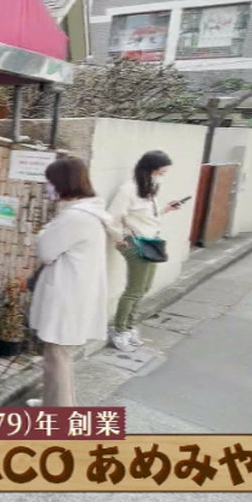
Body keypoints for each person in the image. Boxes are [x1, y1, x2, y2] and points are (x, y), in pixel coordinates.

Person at [27, 157, 115, 407]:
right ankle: (51, 403)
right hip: (74, 290)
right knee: (55, 355)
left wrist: (43, 232)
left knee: (56, 356)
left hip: (66, 294)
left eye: (50, 182)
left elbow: (46, 250)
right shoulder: (89, 212)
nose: (48, 187)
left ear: (63, 183)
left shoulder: (75, 217)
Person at [108, 150, 185, 352]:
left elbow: (149, 219)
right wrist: (120, 239)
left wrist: (166, 209)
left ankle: (129, 327)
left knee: (144, 288)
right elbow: (111, 218)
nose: (163, 175)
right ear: (150, 169)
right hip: (135, 243)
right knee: (134, 290)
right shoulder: (128, 190)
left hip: (151, 242)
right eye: (161, 171)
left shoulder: (149, 189)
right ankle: (118, 330)